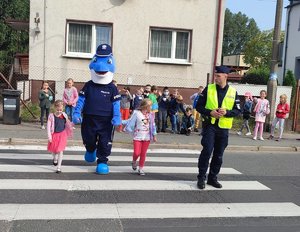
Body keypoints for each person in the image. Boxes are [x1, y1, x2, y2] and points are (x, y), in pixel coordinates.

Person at [195, 66, 241, 189]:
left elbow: (237, 111)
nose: (216, 78)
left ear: (225, 76)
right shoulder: (208, 89)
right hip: (210, 126)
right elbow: (198, 106)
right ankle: (201, 178)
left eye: (218, 76)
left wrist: (227, 112)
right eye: (215, 76)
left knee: (219, 155)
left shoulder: (233, 91)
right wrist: (210, 112)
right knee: (207, 151)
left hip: (223, 128)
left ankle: (212, 178)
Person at [123, 99, 157, 175]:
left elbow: (153, 125)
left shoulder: (151, 115)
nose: (151, 107)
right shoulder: (137, 113)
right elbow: (130, 121)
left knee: (143, 153)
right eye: (150, 106)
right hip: (137, 137)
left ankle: (141, 168)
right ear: (145, 106)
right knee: (137, 152)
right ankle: (134, 161)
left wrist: (154, 135)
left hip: (147, 137)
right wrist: (120, 122)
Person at [47, 100, 73, 173]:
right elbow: (48, 127)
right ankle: (55, 159)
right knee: (54, 151)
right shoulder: (51, 116)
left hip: (62, 135)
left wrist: (69, 122)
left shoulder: (64, 115)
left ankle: (59, 167)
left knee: (60, 151)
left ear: (63, 108)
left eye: (61, 110)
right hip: (54, 135)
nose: (59, 111)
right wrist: (49, 136)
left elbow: (68, 124)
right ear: (55, 108)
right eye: (58, 110)